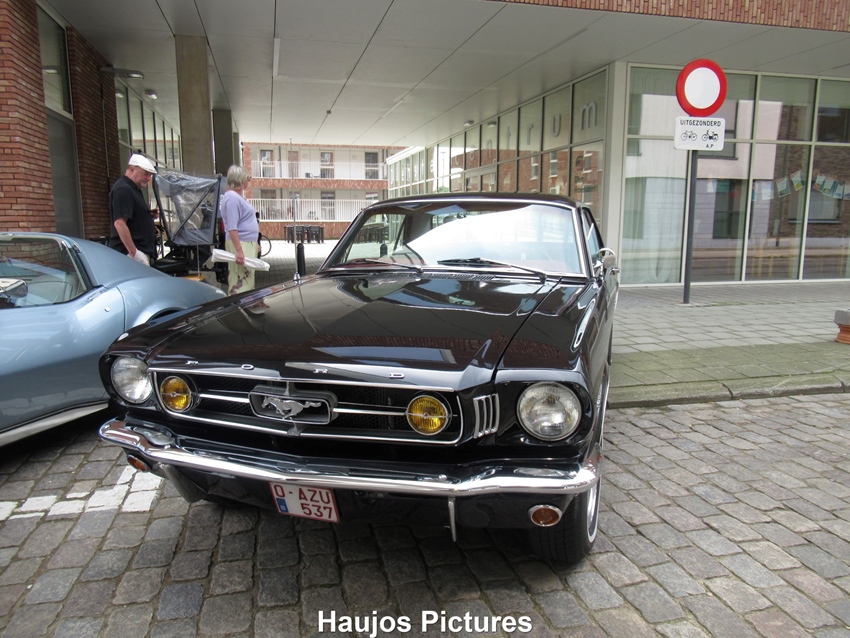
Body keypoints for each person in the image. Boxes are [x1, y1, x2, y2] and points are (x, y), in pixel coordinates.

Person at [108, 154, 158, 265]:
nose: (148, 178)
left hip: (136, 253)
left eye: (150, 175)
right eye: (145, 174)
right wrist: (134, 253)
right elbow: (119, 224)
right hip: (129, 256)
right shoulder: (123, 189)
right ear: (131, 170)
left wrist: (148, 215)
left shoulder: (133, 189)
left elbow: (132, 216)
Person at [220, 164, 260, 295]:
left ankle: (245, 301)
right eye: (248, 178)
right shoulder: (232, 198)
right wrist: (239, 250)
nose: (249, 181)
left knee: (247, 277)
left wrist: (254, 244)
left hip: (246, 243)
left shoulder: (236, 197)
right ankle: (238, 302)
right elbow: (232, 227)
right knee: (240, 277)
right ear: (240, 179)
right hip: (241, 243)